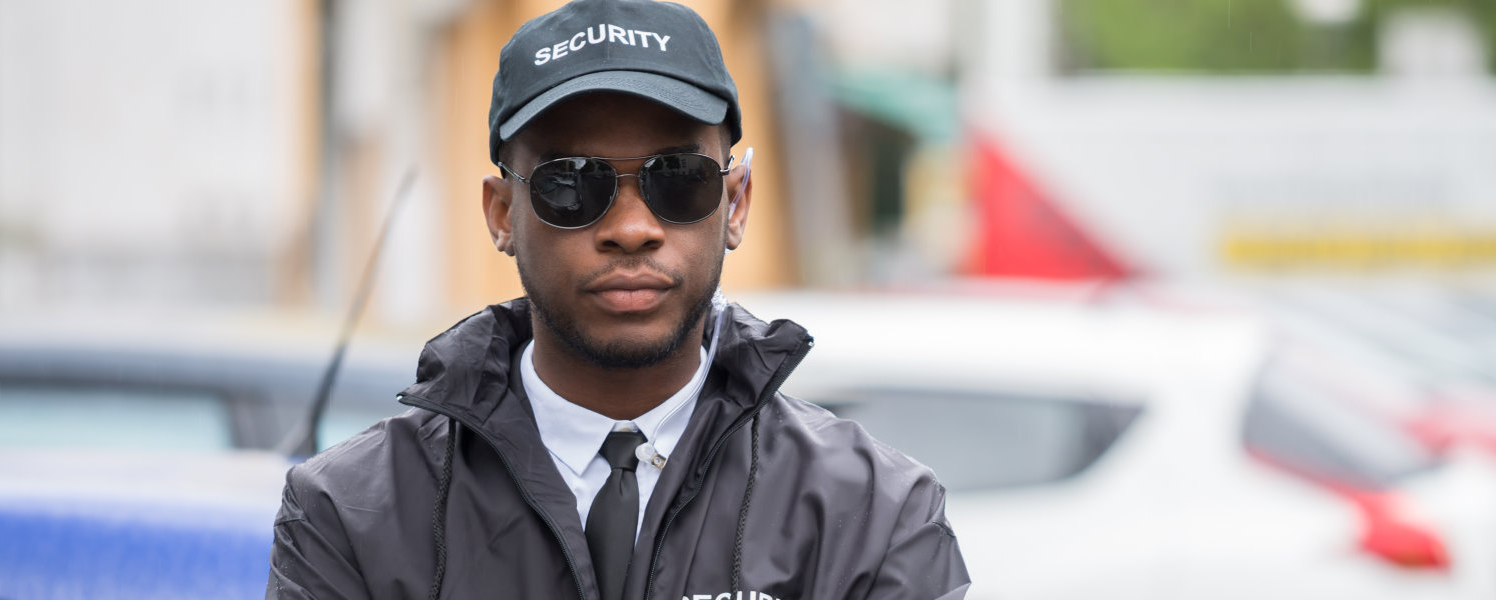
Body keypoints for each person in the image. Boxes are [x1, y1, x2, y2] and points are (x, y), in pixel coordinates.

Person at [265, 0, 970, 598]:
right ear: (502, 212)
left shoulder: (871, 512)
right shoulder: (352, 514)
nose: (632, 229)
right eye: (573, 183)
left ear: (737, 203)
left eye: (679, 179)